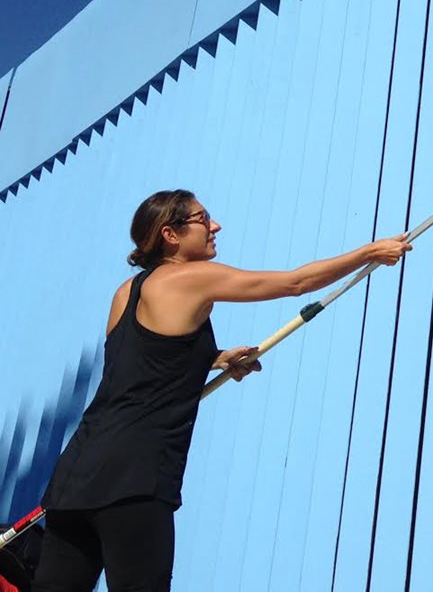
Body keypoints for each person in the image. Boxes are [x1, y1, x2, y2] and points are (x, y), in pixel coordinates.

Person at [32, 189, 411, 592]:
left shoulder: (126, 293)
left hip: (75, 479)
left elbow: (140, 368)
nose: (215, 225)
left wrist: (212, 358)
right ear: (170, 235)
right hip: (134, 481)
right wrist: (369, 253)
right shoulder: (192, 278)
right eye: (202, 218)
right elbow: (296, 283)